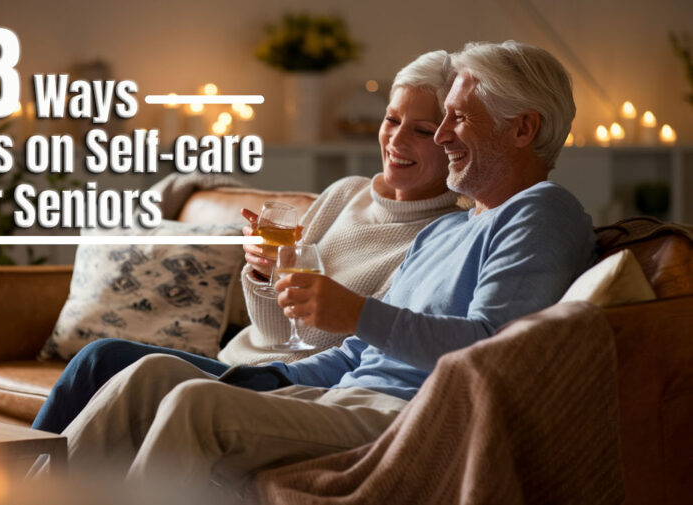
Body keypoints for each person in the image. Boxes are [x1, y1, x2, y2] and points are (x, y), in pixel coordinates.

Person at [61, 40, 597, 495]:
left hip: (407, 415)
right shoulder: (447, 229)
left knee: (196, 406)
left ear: (524, 128)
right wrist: (263, 379)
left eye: (458, 118)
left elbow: (491, 351)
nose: (441, 136)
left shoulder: (542, 210)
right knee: (149, 375)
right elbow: (357, 353)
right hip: (341, 394)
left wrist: (358, 312)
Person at [32, 49, 464, 433]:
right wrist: (264, 271)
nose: (396, 139)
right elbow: (274, 329)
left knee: (101, 360)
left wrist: (303, 297)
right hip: (238, 364)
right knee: (100, 361)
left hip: (290, 386)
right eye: (391, 119)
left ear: (451, 138)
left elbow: (346, 350)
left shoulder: (442, 237)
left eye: (422, 130)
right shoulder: (345, 193)